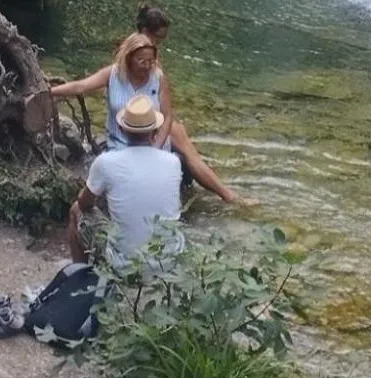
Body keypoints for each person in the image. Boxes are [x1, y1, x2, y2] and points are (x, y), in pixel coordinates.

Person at [52, 28, 238, 203]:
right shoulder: (113, 74)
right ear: (129, 58)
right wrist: (50, 92)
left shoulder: (158, 77)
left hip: (153, 143)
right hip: (120, 144)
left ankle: (228, 196)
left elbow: (166, 116)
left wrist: (155, 147)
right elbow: (80, 86)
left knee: (185, 152)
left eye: (151, 61)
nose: (147, 66)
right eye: (142, 61)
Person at [68, 93, 184, 269]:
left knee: (75, 210)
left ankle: (79, 276)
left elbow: (84, 205)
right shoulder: (174, 162)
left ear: (121, 130)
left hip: (126, 264)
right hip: (168, 262)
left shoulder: (106, 162)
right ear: (155, 131)